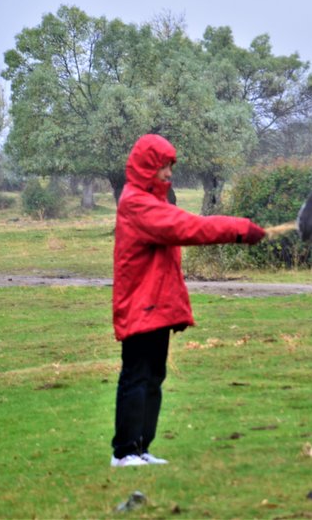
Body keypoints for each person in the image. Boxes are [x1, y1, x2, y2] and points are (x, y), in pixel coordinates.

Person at [111, 134, 265, 467]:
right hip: (140, 305)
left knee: (154, 377)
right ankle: (124, 452)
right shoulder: (137, 204)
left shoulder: (153, 202)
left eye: (170, 166)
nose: (168, 173)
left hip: (155, 306)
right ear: (147, 168)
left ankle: (141, 448)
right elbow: (188, 227)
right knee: (136, 376)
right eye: (163, 166)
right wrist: (238, 229)